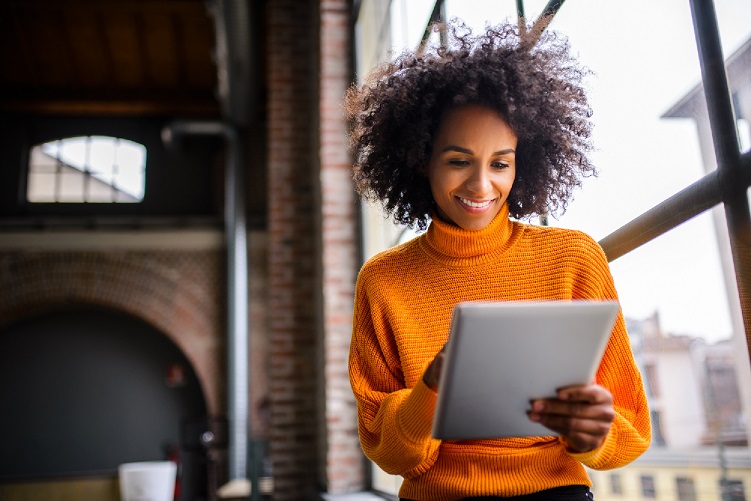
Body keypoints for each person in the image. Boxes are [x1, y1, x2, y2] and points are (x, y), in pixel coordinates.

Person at [345, 21, 651, 501]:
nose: (481, 187)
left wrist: (594, 433)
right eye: (458, 161)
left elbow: (629, 429)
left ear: (522, 164)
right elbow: (387, 451)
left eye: (500, 163)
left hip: (555, 493)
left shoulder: (573, 257)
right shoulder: (384, 280)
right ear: (420, 159)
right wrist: (432, 389)